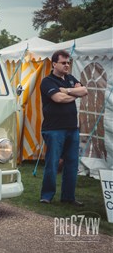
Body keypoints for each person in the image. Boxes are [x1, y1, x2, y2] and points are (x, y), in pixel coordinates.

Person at [39, 50, 88, 206]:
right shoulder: (47, 81)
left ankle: (68, 197)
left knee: (72, 164)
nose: (67, 65)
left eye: (68, 63)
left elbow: (85, 90)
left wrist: (67, 90)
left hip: (72, 128)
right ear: (54, 64)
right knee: (52, 163)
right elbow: (58, 98)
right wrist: (75, 93)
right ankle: (46, 196)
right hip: (54, 129)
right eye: (63, 63)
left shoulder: (70, 79)